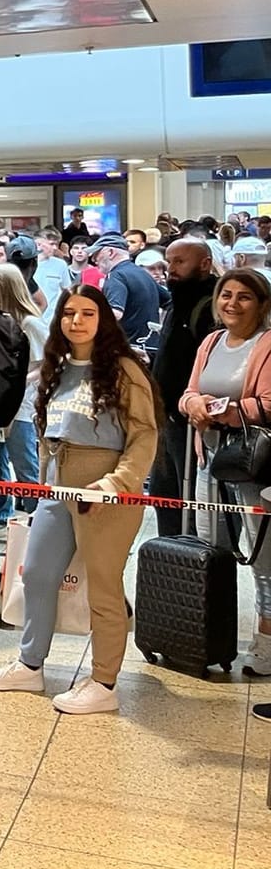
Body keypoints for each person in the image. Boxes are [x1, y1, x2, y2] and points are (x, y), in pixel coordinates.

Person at [0, 284, 158, 713]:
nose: (76, 321)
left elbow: (144, 434)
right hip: (58, 484)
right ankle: (29, 663)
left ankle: (104, 681)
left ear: (104, 320)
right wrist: (44, 481)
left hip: (106, 489)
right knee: (38, 574)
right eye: (69, 313)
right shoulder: (56, 367)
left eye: (87, 313)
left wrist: (117, 483)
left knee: (103, 587)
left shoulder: (123, 369)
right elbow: (47, 430)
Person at [182, 269, 271, 674]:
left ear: (263, 304)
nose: (232, 303)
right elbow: (189, 392)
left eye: (244, 297)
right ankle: (210, 636)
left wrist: (227, 412)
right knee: (210, 548)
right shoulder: (211, 341)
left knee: (262, 556)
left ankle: (267, 642)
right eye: (226, 295)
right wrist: (193, 405)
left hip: (252, 466)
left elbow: (268, 403)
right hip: (209, 459)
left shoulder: (267, 345)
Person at [150, 237, 219, 538]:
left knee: (190, 504)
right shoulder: (177, 300)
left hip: (191, 423)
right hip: (165, 418)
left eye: (180, 262)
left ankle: (189, 566)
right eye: (169, 262)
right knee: (164, 496)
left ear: (204, 264)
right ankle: (167, 560)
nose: (171, 269)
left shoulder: (210, 307)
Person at [0, 265, 50, 526]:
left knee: (24, 464)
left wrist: (20, 381)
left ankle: (38, 517)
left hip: (21, 405)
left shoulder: (30, 323)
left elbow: (49, 363)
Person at [87, 233, 161, 351]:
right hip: (152, 347)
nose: (93, 260)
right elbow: (169, 302)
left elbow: (115, 313)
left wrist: (87, 324)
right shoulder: (142, 274)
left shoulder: (116, 276)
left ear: (110, 253)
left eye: (96, 254)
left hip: (130, 348)